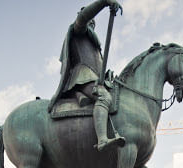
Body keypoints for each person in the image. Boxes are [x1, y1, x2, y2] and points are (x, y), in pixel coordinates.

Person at [48, 0, 126, 152]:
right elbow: (83, 17)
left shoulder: (93, 43)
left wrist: (106, 74)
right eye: (91, 19)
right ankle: (102, 139)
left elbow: (97, 68)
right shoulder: (78, 29)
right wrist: (104, 2)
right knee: (104, 97)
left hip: (93, 78)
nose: (93, 23)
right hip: (83, 77)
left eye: (94, 22)